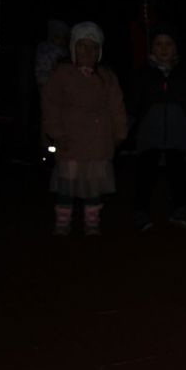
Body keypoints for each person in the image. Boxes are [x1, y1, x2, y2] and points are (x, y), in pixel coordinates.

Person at [41, 21, 127, 235]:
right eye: (82, 46)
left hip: (98, 143)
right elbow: (50, 105)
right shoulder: (62, 74)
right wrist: (56, 133)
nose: (87, 51)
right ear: (73, 48)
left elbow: (117, 107)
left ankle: (92, 221)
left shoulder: (107, 77)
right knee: (66, 185)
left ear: (99, 51)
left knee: (93, 186)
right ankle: (63, 221)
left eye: (93, 47)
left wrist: (119, 134)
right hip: (70, 141)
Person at [126, 23, 186, 231]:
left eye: (168, 44)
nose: (163, 49)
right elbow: (133, 104)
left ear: (176, 48)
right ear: (151, 48)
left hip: (178, 136)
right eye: (158, 44)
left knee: (178, 175)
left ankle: (180, 208)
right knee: (145, 175)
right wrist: (121, 129)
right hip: (149, 136)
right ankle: (140, 210)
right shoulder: (143, 75)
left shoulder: (185, 76)